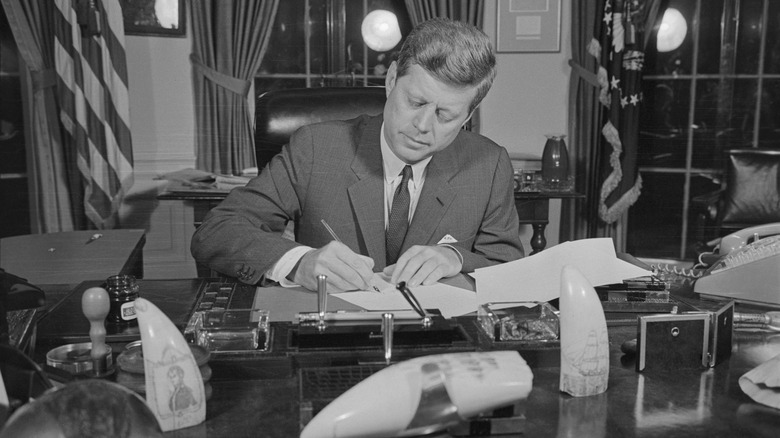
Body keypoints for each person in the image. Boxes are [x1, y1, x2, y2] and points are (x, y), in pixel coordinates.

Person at [191, 18, 524, 293]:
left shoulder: (488, 165)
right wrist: (298, 263)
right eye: (416, 102)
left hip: (434, 347)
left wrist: (456, 258)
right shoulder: (316, 148)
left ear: (467, 117)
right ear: (392, 79)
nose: (423, 126)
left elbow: (507, 266)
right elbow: (216, 231)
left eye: (445, 115)